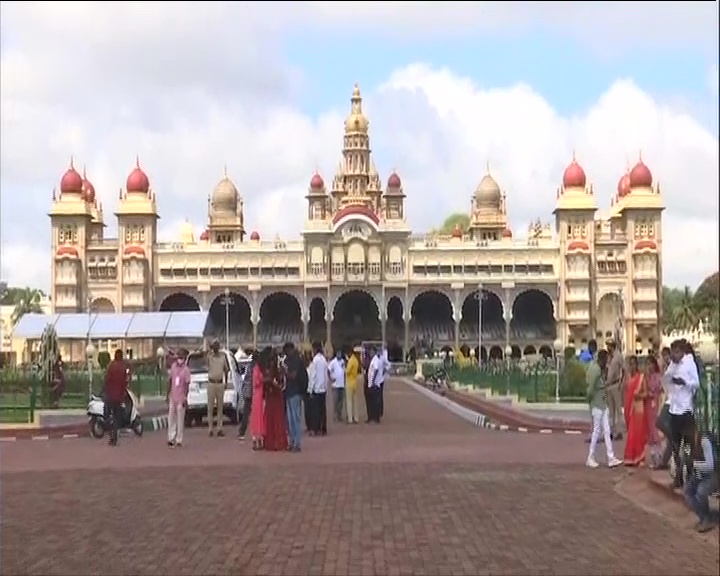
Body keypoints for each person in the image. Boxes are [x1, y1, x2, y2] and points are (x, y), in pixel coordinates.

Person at [668, 339, 700, 487]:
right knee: (675, 445)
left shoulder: (689, 363)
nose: (673, 355)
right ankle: (678, 477)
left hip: (685, 409)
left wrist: (684, 382)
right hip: (674, 408)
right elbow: (665, 378)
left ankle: (690, 476)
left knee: (688, 446)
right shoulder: (672, 365)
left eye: (675, 352)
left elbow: (696, 383)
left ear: (681, 351)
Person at [585, 349, 622, 469]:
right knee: (597, 430)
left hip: (602, 402)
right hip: (597, 403)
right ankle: (590, 456)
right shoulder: (595, 370)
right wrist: (590, 401)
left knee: (606, 430)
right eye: (606, 360)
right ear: (602, 359)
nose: (607, 362)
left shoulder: (596, 368)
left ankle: (610, 457)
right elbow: (590, 389)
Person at [684, 425, 718, 533]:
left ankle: (707, 519)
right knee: (688, 491)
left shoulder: (704, 441)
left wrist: (694, 464)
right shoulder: (689, 443)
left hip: (712, 475)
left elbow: (710, 466)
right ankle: (705, 516)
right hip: (699, 474)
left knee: (701, 491)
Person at [623, 356, 648, 466]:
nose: (632, 366)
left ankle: (640, 457)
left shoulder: (641, 377)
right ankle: (631, 457)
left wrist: (639, 396)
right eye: (630, 364)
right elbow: (626, 392)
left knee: (638, 434)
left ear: (636, 365)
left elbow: (646, 393)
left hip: (638, 408)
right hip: (629, 408)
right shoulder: (627, 377)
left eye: (633, 364)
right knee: (631, 434)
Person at [263, 348, 288, 452]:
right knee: (274, 419)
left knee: (275, 419)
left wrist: (274, 383)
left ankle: (275, 443)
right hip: (272, 395)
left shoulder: (279, 368)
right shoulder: (270, 368)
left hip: (275, 395)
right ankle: (274, 443)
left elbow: (282, 382)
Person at [166, 348, 191, 448]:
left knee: (180, 419)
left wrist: (185, 397)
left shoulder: (186, 370)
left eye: (181, 357)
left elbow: (187, 385)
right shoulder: (173, 367)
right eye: (179, 357)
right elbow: (170, 380)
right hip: (173, 396)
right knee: (171, 418)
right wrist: (167, 395)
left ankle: (179, 439)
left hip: (181, 397)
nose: (180, 359)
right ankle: (171, 438)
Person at [654, 346, 674, 470]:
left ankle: (666, 459)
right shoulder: (666, 368)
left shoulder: (673, 367)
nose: (665, 358)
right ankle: (665, 459)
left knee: (661, 423)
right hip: (667, 399)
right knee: (662, 425)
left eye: (667, 355)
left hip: (673, 401)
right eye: (663, 355)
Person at [103, 349, 129, 446]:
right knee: (117, 418)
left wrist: (105, 391)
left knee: (109, 417)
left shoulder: (111, 366)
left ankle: (112, 437)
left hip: (110, 396)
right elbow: (125, 383)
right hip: (119, 397)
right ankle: (115, 437)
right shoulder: (123, 367)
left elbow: (107, 380)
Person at [283, 342, 305, 452]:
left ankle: (297, 442)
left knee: (295, 419)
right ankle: (292, 441)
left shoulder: (296, 360)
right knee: (290, 419)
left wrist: (285, 372)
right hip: (288, 391)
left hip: (295, 391)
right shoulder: (287, 360)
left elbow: (294, 375)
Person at [206, 340, 229, 437]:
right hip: (211, 383)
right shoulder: (209, 357)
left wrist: (226, 382)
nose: (215, 347)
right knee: (210, 407)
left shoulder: (223, 357)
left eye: (217, 346)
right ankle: (210, 428)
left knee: (220, 407)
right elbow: (205, 361)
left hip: (220, 383)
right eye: (214, 346)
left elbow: (226, 370)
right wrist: (209, 348)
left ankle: (219, 428)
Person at [644, 355, 664, 467]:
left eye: (650, 364)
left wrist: (653, 394)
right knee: (650, 429)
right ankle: (653, 455)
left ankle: (658, 455)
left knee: (655, 429)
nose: (649, 366)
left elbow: (660, 389)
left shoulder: (657, 376)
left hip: (655, 403)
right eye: (647, 364)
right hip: (648, 404)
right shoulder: (647, 377)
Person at [308, 341, 329, 436]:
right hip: (323, 388)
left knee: (315, 410)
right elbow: (326, 375)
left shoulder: (315, 360)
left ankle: (315, 429)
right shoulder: (324, 360)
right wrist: (325, 386)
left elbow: (313, 375)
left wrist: (310, 388)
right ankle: (323, 428)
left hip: (316, 388)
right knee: (322, 409)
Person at [605, 339, 625, 441]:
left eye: (608, 345)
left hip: (616, 384)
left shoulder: (618, 356)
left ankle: (619, 431)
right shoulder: (609, 357)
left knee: (618, 410)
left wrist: (621, 382)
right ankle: (612, 431)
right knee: (611, 411)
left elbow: (624, 369)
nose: (607, 347)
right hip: (608, 385)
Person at [250, 349, 267, 450]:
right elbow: (256, 382)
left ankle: (259, 439)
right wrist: (263, 379)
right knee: (257, 418)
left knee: (261, 417)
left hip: (260, 395)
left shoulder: (259, 368)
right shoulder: (256, 369)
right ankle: (256, 439)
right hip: (257, 395)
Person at [237, 350, 256, 441]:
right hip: (251, 391)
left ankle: (242, 430)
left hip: (247, 390)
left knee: (246, 412)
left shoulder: (249, 366)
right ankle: (251, 430)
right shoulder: (254, 367)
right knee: (250, 412)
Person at [366, 346, 384, 423]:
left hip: (374, 384)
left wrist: (373, 380)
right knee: (372, 401)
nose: (371, 353)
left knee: (374, 401)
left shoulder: (376, 360)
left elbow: (376, 370)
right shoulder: (373, 360)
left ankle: (375, 417)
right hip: (372, 383)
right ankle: (372, 417)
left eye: (372, 352)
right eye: (370, 352)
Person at [328, 348, 346, 422]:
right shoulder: (333, 362)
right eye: (338, 353)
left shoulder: (342, 361)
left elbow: (344, 371)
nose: (339, 354)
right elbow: (328, 370)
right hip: (335, 385)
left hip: (342, 384)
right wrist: (331, 379)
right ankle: (335, 415)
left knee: (341, 401)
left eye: (340, 353)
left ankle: (339, 415)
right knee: (335, 401)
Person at [345, 346, 361, 424]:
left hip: (349, 382)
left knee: (349, 401)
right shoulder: (356, 360)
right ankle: (356, 417)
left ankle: (350, 418)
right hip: (355, 382)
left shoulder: (351, 360)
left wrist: (345, 369)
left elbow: (347, 371)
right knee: (355, 401)